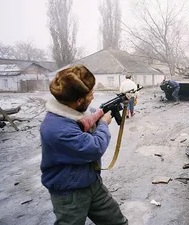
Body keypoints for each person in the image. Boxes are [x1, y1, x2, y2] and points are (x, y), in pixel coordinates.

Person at [40, 65, 128, 225]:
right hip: (69, 191)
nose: (93, 97)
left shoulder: (75, 111)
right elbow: (94, 148)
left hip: (91, 182)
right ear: (79, 100)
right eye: (90, 95)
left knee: (117, 222)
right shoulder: (56, 128)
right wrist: (103, 124)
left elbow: (92, 114)